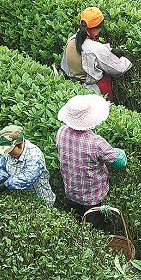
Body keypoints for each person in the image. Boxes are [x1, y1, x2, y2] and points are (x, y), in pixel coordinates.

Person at [55, 93, 127, 231]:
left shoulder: (61, 132)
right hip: (92, 196)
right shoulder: (96, 142)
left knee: (76, 221)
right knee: (96, 227)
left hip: (70, 190)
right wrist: (119, 152)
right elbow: (119, 162)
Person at [61, 7, 131, 102]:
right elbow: (118, 69)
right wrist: (127, 59)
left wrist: (109, 50)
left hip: (74, 86)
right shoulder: (96, 49)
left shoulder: (71, 40)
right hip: (95, 91)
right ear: (99, 27)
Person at [0, 125, 56, 206]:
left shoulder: (34, 155)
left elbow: (28, 177)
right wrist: (1, 179)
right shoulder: (8, 152)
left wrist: (6, 185)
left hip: (39, 199)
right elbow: (0, 165)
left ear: (19, 144)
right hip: (18, 199)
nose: (7, 152)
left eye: (9, 149)